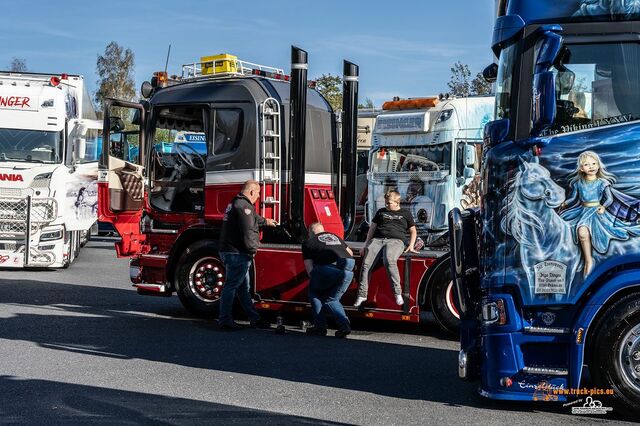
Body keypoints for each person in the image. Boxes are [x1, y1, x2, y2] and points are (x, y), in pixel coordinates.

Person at [561, 151, 640, 276]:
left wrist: (603, 207)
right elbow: (574, 198)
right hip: (582, 212)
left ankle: (590, 260)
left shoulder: (602, 183)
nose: (591, 167)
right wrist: (565, 203)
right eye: (587, 165)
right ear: (581, 168)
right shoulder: (578, 184)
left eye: (594, 163)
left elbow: (609, 199)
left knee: (587, 232)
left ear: (598, 165)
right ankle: (587, 259)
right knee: (574, 230)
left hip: (597, 211)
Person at [218, 180, 277, 330]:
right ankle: (225, 320)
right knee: (231, 285)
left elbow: (252, 219)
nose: (258, 197)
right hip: (238, 253)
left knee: (243, 287)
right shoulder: (244, 206)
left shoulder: (236, 204)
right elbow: (248, 231)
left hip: (231, 250)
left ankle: (254, 318)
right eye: (257, 193)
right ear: (251, 192)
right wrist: (253, 249)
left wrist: (265, 221)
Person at [355, 190, 418, 307]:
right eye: (386, 202)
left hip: (396, 241)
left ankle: (397, 293)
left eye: (389, 203)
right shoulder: (380, 212)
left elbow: (413, 230)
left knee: (389, 260)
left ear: (397, 202)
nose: (386, 205)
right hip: (378, 240)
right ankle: (362, 294)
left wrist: (411, 245)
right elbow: (372, 229)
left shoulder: (405, 213)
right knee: (366, 264)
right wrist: (365, 244)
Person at [302, 223, 355, 338]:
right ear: (323, 230)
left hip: (328, 269)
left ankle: (320, 327)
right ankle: (344, 325)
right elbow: (350, 253)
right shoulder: (334, 237)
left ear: (310, 233)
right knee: (332, 299)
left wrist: (317, 279)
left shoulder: (309, 242)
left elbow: (309, 268)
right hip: (348, 269)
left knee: (314, 293)